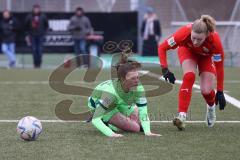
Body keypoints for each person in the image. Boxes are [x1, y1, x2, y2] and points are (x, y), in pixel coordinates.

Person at [158, 15, 226, 130]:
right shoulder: (183, 33)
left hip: (206, 57)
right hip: (187, 52)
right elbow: (162, 47)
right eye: (193, 37)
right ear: (191, 32)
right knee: (189, 76)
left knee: (206, 91)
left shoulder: (215, 41)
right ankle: (182, 116)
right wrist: (165, 69)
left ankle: (210, 107)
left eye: (199, 39)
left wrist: (220, 91)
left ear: (207, 35)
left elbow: (219, 67)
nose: (195, 42)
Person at [88, 54, 161, 137]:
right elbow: (95, 119)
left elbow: (143, 111)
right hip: (104, 107)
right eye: (133, 78)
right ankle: (106, 121)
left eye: (137, 77)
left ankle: (116, 120)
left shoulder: (139, 88)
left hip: (118, 103)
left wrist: (148, 132)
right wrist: (111, 134)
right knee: (136, 128)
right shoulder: (111, 93)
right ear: (123, 79)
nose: (137, 81)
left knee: (141, 122)